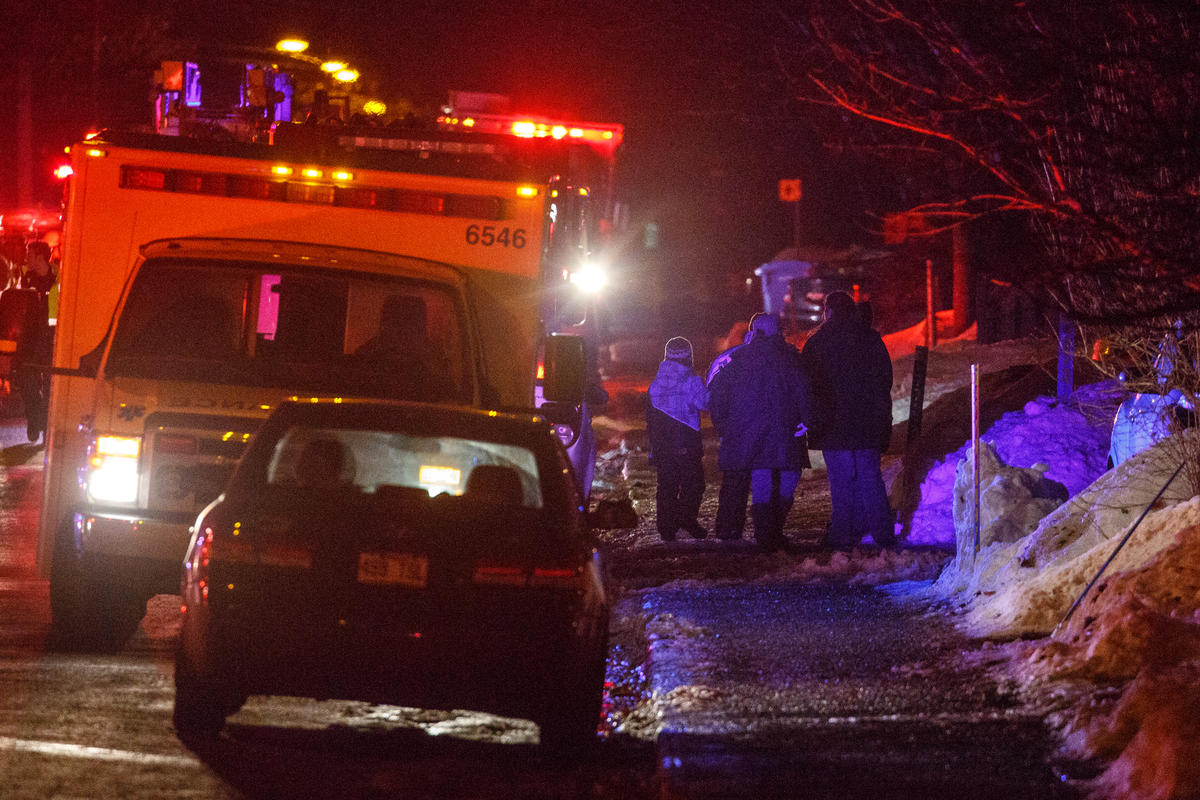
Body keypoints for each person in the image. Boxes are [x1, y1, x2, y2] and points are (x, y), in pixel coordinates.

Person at [708, 312, 814, 553]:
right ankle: (773, 531)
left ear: (754, 332)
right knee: (788, 477)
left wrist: (725, 426)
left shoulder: (735, 360)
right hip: (785, 432)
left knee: (762, 479)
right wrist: (807, 421)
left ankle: (765, 534)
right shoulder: (790, 359)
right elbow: (804, 392)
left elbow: (717, 398)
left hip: (748, 434)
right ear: (778, 332)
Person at [800, 291, 896, 549]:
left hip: (833, 423)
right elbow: (884, 379)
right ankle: (883, 533)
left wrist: (812, 417)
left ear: (828, 311)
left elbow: (806, 384)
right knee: (870, 478)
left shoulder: (817, 343)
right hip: (867, 422)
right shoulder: (870, 339)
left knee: (840, 480)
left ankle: (842, 533)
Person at [646, 336, 709, 542]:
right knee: (694, 484)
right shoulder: (691, 380)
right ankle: (686, 518)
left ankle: (666, 528)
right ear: (689, 357)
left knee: (666, 485)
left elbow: (650, 417)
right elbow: (704, 404)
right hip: (686, 440)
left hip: (662, 443)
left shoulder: (655, 384)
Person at [705, 329, 752, 540]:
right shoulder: (752, 361)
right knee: (745, 480)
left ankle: (726, 528)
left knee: (733, 480)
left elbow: (711, 396)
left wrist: (722, 426)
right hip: (748, 428)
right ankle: (733, 528)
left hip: (731, 430)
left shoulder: (721, 361)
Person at [16, 241, 57, 442]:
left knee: (51, 387)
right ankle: (35, 421)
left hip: (51, 341)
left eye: (30, 255)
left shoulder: (57, 281)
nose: (27, 259)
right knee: (27, 383)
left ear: (40, 257)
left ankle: (46, 425)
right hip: (30, 342)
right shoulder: (27, 278)